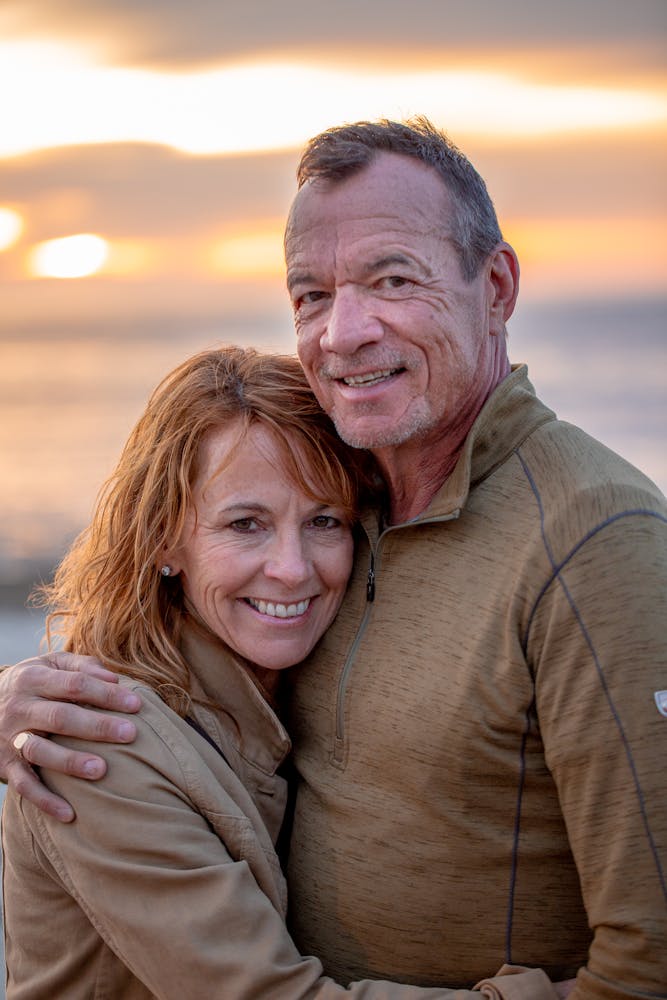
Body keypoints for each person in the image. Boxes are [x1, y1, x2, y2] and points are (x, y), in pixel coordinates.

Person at [1, 119, 665, 998]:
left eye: (392, 278)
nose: (344, 332)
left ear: (495, 285)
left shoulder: (595, 538)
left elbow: (649, 954)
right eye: (310, 294)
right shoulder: (358, 495)